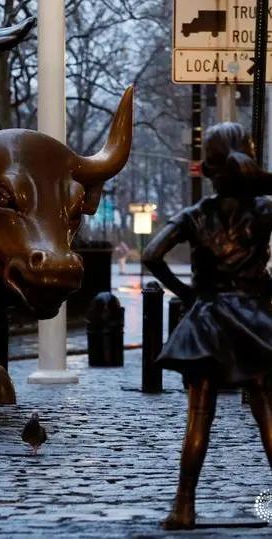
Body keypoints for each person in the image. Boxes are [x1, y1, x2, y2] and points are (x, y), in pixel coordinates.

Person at [142, 122, 272, 530]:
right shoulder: (265, 209)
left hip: (208, 319)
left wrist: (186, 292)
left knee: (199, 415)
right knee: (267, 410)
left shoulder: (195, 215)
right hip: (254, 317)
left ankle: (184, 506)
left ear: (208, 168)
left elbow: (151, 254)